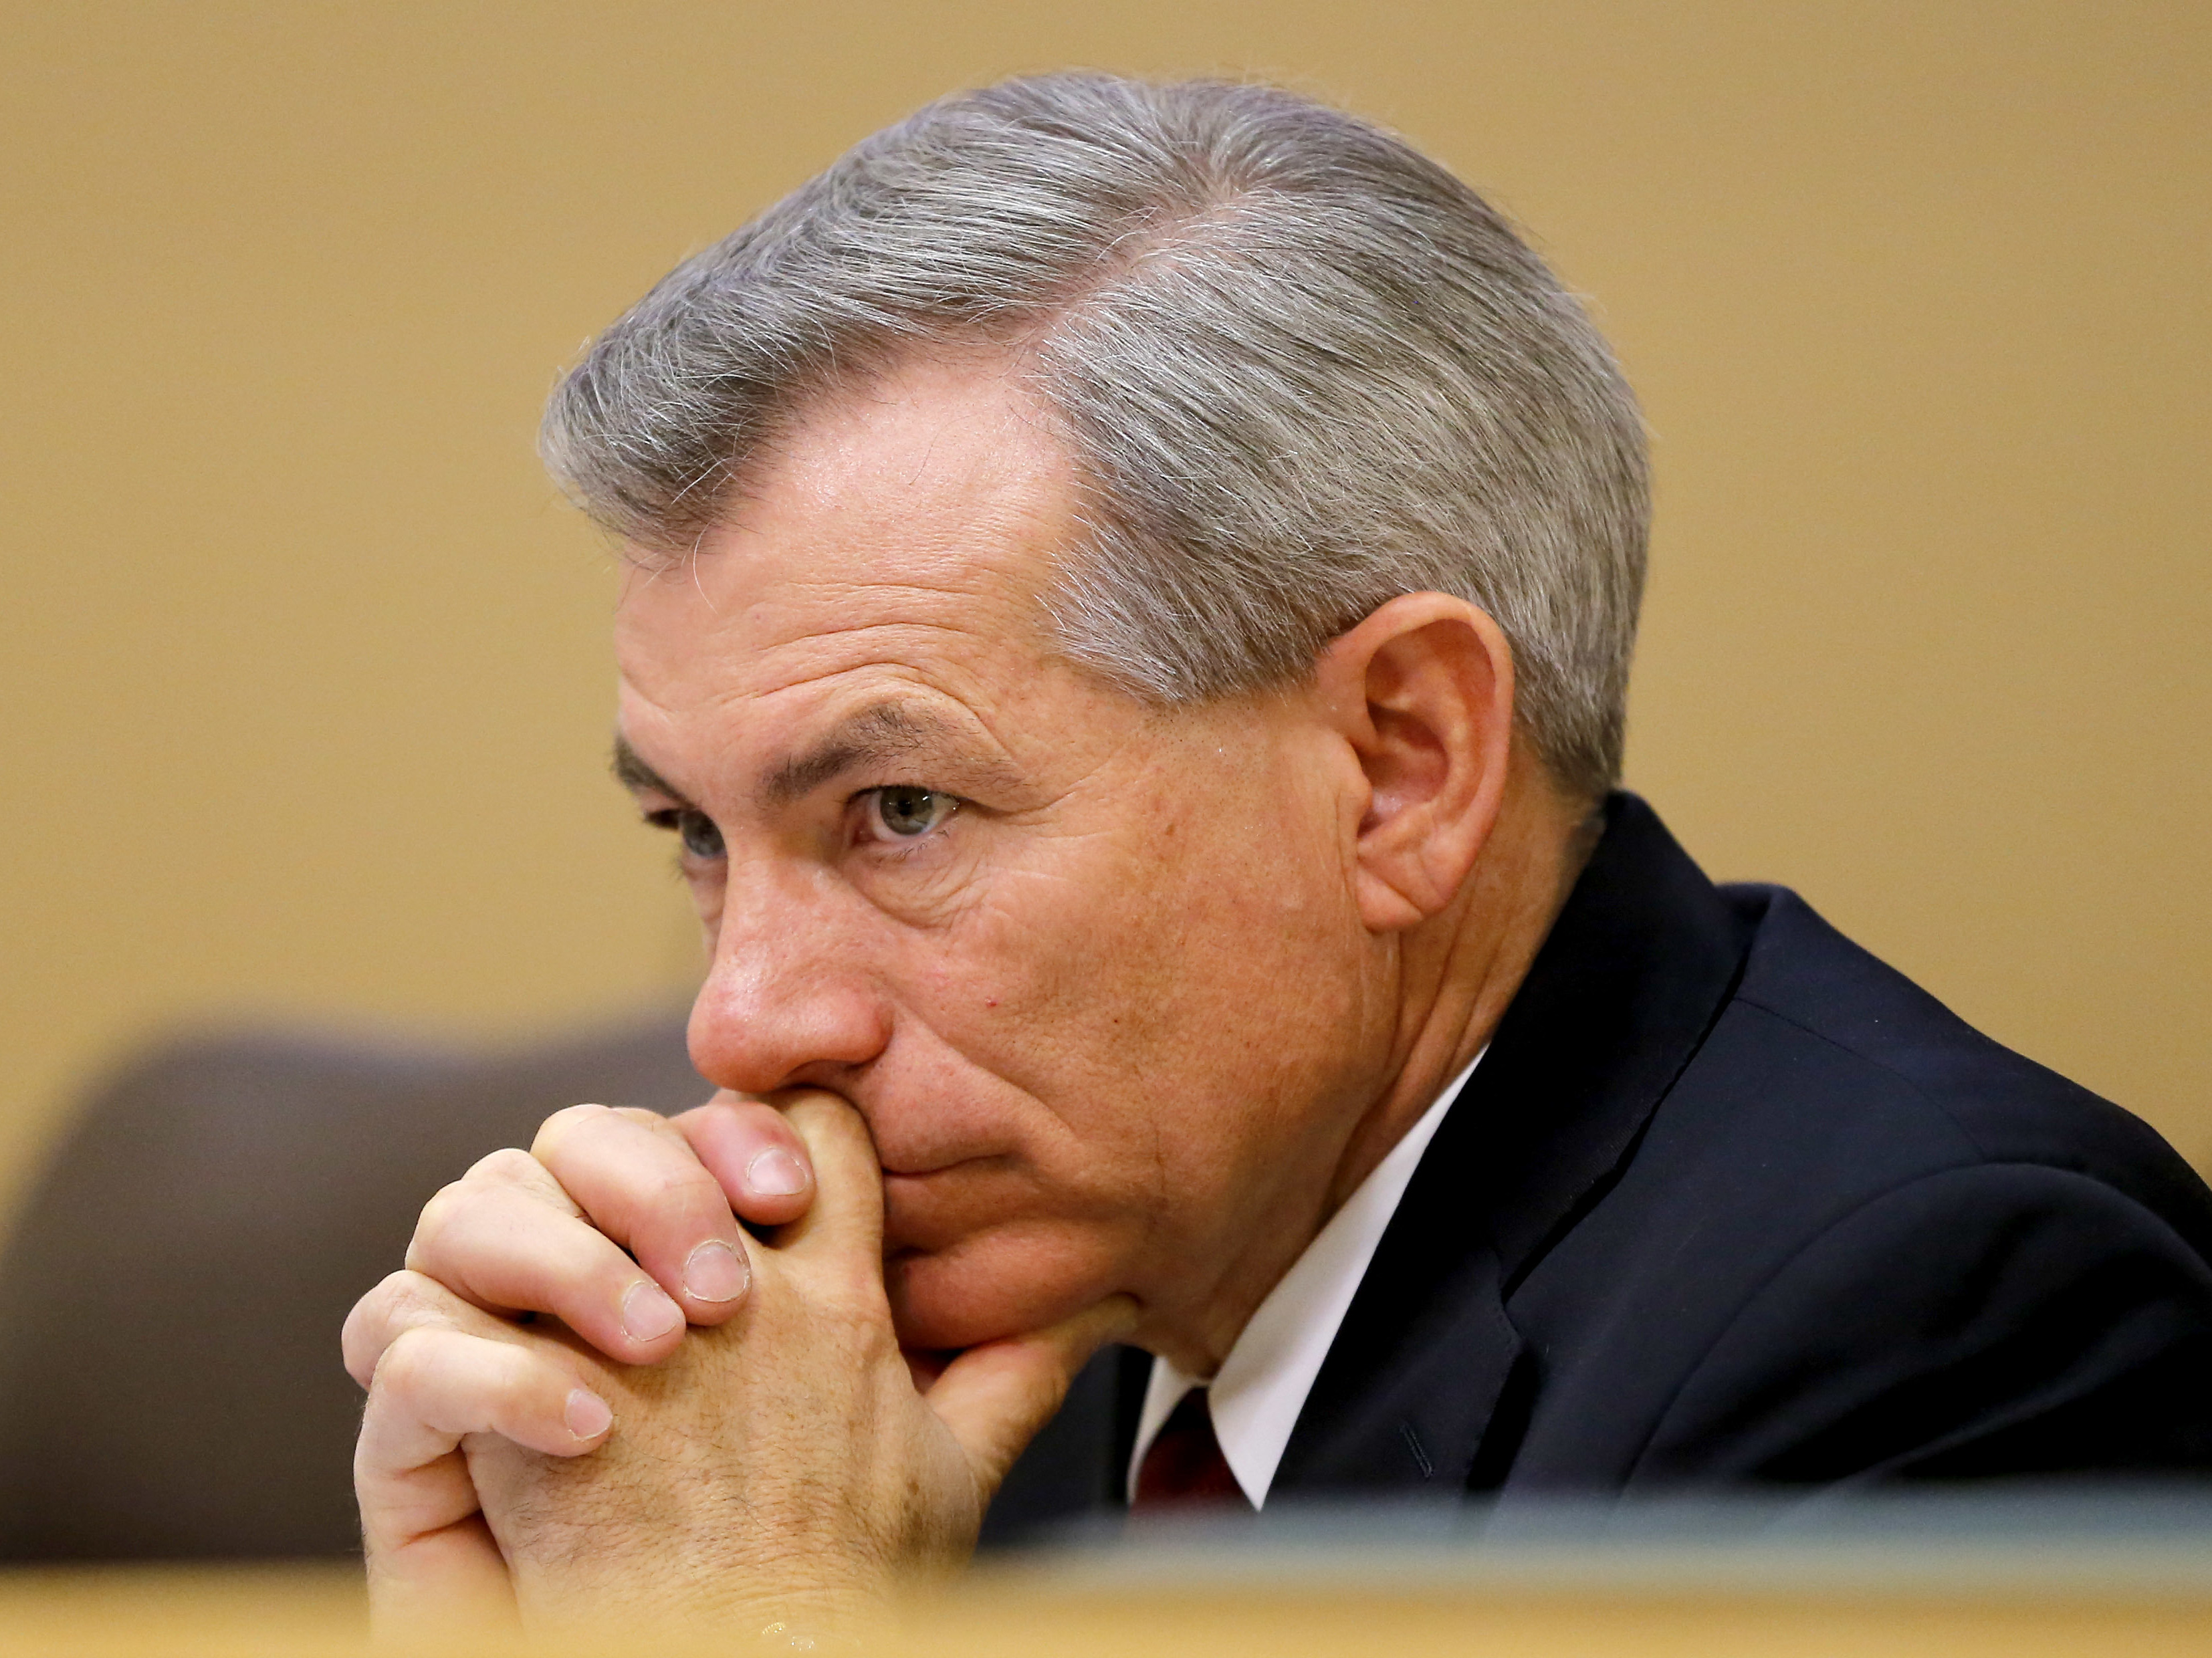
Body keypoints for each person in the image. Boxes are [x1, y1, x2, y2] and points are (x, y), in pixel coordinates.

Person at [340, 72, 2212, 1639]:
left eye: (899, 812)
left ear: (1399, 764)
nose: (744, 1025)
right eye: (692, 832)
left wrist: (762, 1633)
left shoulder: (1936, 1325)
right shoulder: (926, 1346)